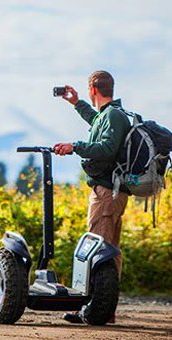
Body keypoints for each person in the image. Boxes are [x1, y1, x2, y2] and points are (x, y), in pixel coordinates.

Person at [52, 70, 131, 324]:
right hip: (111, 192)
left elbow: (106, 149)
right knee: (109, 251)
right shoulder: (110, 116)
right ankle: (105, 309)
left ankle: (96, 308)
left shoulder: (115, 117)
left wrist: (75, 146)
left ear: (93, 90)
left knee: (98, 250)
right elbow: (96, 122)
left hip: (106, 194)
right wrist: (76, 103)